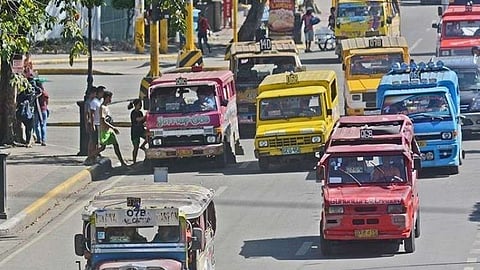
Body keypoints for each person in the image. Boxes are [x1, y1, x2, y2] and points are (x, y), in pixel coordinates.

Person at [96, 91, 129, 167]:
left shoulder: (106, 107)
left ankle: (122, 162)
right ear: (107, 98)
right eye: (110, 98)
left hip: (109, 130)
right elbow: (102, 120)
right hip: (104, 131)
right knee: (102, 147)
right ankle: (90, 156)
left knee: (116, 145)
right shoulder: (102, 107)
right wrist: (113, 128)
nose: (111, 99)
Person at [85, 86, 105, 165]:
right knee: (93, 141)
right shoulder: (93, 102)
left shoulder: (99, 101)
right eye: (102, 92)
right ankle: (90, 156)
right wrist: (91, 124)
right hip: (94, 123)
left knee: (96, 142)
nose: (103, 94)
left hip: (98, 123)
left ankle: (94, 155)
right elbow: (91, 114)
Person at [128, 99, 147, 164]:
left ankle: (143, 146)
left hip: (141, 130)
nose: (140, 106)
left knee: (149, 138)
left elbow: (143, 121)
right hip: (135, 131)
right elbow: (138, 119)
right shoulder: (133, 113)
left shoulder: (140, 112)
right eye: (139, 105)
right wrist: (145, 116)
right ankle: (134, 161)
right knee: (135, 147)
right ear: (135, 105)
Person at [33, 80, 49, 146]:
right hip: (44, 110)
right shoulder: (45, 93)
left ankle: (39, 139)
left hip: (37, 110)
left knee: (36, 125)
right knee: (43, 125)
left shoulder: (36, 93)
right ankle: (43, 140)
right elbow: (47, 102)